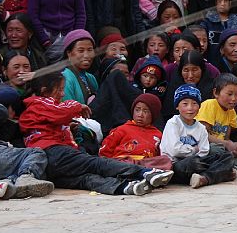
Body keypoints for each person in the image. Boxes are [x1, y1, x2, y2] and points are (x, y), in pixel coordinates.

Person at [18, 72, 168, 196]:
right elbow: (62, 111)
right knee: (95, 163)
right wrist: (78, 105)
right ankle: (145, 173)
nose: (63, 94)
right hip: (53, 152)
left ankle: (124, 187)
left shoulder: (38, 109)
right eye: (60, 90)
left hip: (49, 163)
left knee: (85, 180)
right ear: (44, 91)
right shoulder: (39, 103)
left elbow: (51, 122)